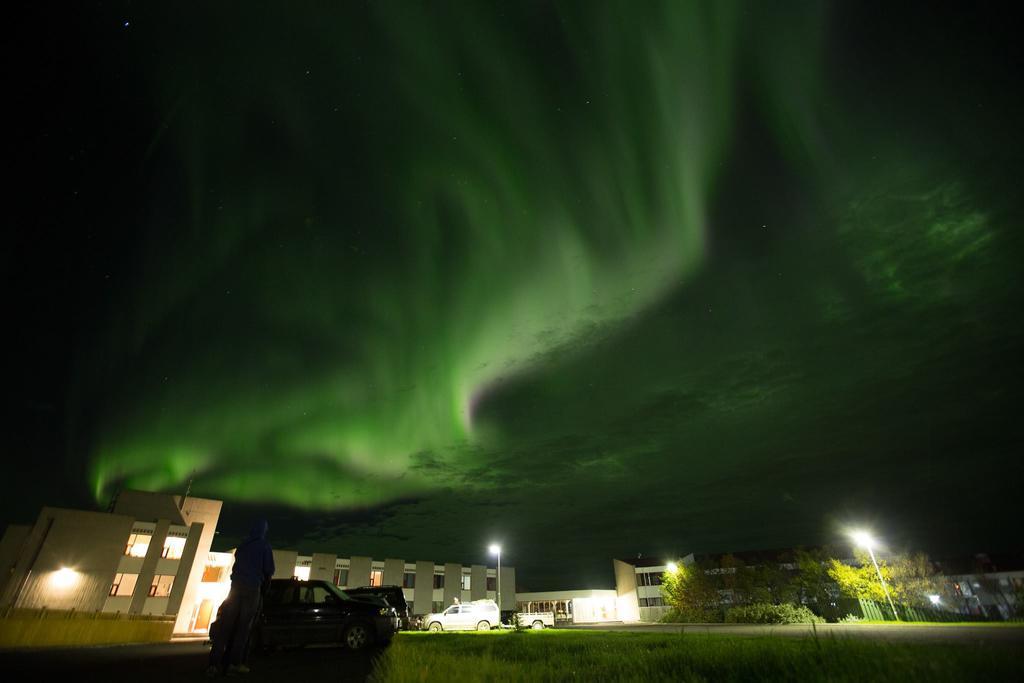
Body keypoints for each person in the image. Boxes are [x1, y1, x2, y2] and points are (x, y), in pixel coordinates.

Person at [207, 519, 275, 677]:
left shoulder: (243, 546)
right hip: (252, 589)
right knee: (243, 628)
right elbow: (268, 570)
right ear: (264, 531)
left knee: (225, 626)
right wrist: (265, 589)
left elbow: (236, 564)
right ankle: (234, 664)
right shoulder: (264, 546)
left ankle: (213, 665)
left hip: (235, 587)